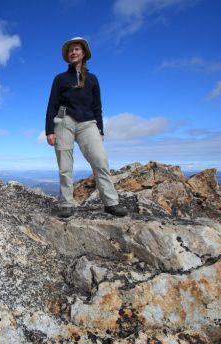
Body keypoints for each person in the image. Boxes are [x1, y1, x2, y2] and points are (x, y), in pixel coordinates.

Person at [45, 37, 127, 218]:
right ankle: (66, 203)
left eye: (76, 50)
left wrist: (101, 129)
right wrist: (49, 130)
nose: (73, 52)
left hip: (88, 123)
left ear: (83, 54)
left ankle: (111, 203)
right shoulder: (60, 79)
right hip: (64, 121)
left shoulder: (92, 79)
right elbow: (52, 105)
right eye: (70, 50)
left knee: (100, 160)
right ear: (67, 56)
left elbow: (97, 106)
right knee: (65, 166)